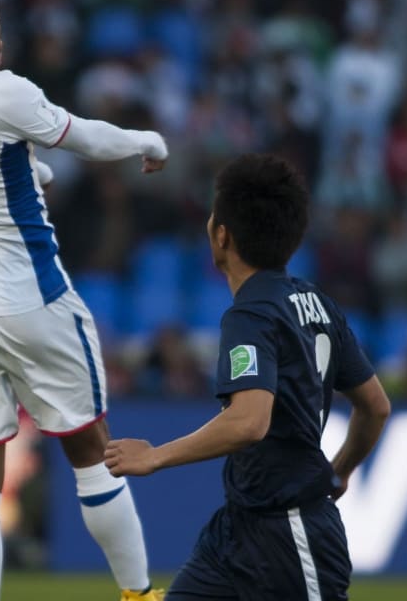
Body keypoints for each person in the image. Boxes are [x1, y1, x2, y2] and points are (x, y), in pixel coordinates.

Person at [0, 0, 168, 601]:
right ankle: (137, 595)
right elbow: (90, 139)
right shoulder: (6, 95)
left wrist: (26, 165)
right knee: (91, 451)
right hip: (31, 300)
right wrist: (144, 141)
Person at [105, 154, 392, 600]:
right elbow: (375, 406)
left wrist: (155, 456)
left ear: (222, 235)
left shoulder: (250, 316)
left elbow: (248, 422)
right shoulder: (316, 302)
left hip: (291, 536)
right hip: (237, 531)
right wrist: (341, 471)